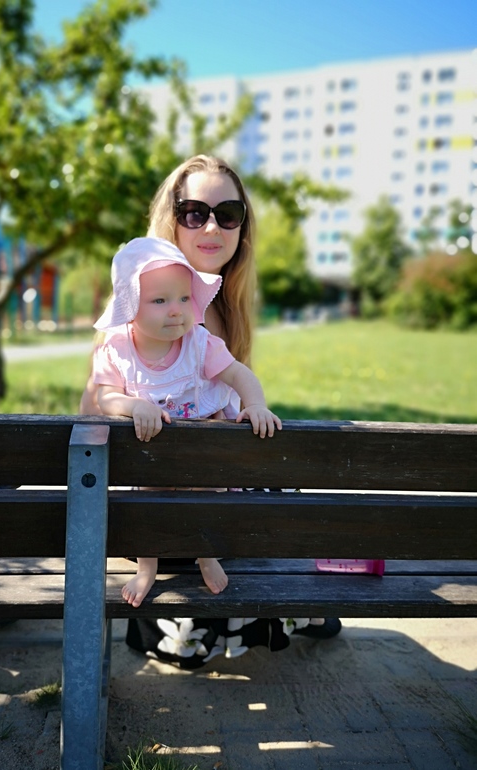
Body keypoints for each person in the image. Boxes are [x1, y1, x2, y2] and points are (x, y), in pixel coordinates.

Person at [80, 154, 341, 668]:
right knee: (277, 492)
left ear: (243, 225)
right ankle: (287, 610)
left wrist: (245, 413)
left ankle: (275, 609)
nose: (212, 227)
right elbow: (94, 407)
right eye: (195, 212)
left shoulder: (217, 307)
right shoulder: (139, 317)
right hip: (156, 493)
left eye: (228, 214)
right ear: (171, 218)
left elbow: (234, 389)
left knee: (268, 484)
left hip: (193, 489)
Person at [92, 236, 282, 608]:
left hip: (201, 456)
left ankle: (205, 555)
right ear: (130, 305)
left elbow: (239, 375)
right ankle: (147, 567)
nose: (176, 311)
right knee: (147, 502)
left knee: (209, 490)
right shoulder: (117, 350)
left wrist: (255, 405)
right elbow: (105, 398)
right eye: (160, 301)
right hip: (151, 459)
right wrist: (133, 405)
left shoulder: (199, 343)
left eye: (183, 298)